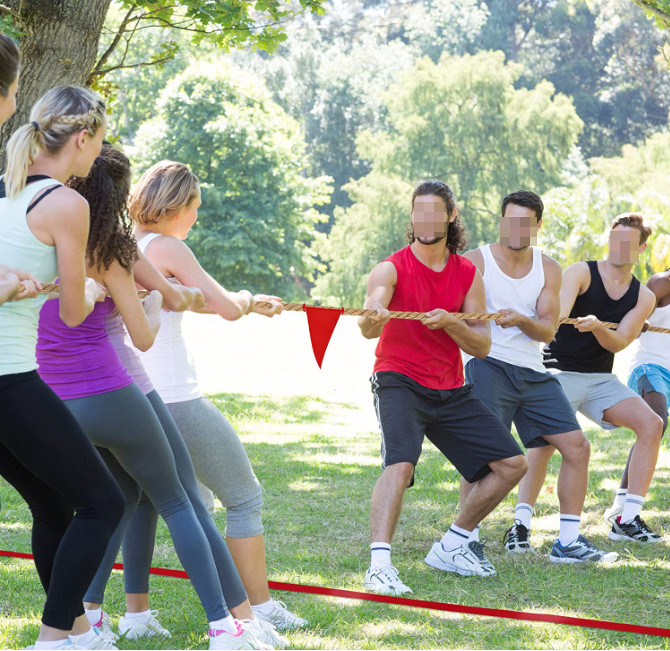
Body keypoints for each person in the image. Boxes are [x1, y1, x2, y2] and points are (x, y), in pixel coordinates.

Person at [36, 145, 283, 650]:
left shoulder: (43, 241)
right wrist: (156, 300)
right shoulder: (114, 248)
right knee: (181, 499)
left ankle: (86, 618)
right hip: (117, 388)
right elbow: (147, 331)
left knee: (112, 502)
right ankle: (227, 625)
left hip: (55, 403)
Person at [126, 159, 306, 632]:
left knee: (157, 503)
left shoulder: (133, 244)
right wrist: (244, 300)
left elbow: (186, 300)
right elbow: (224, 305)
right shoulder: (167, 245)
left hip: (136, 399)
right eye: (195, 208)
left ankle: (135, 615)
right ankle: (260, 608)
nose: (197, 218)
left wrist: (250, 303)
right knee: (243, 497)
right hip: (177, 399)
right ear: (176, 204)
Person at [358, 180, 528, 595]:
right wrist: (374, 314)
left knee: (513, 465)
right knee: (401, 463)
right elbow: (366, 326)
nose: (426, 220)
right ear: (412, 217)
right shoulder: (391, 267)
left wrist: (453, 322)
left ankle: (453, 544)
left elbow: (482, 345)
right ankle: (379, 565)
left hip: (450, 387)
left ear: (451, 216)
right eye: (419, 211)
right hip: (398, 378)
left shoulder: (467, 273)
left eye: (435, 211)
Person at [0, 85, 125, 650]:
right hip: (9, 378)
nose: (96, 156)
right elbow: (73, 313)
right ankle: (55, 641)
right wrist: (92, 289)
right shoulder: (66, 204)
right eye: (96, 145)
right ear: (80, 139)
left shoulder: (4, 191)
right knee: (103, 503)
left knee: (51, 501)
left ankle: (78, 631)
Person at [461, 190, 616, 562]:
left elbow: (548, 331)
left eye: (525, 223)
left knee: (577, 447)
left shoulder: (548, 268)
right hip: (489, 365)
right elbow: (461, 317)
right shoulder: (475, 261)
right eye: (511, 220)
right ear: (502, 221)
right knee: (482, 456)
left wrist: (523, 319)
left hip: (533, 371)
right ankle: (464, 540)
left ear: (537, 225)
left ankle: (567, 542)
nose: (516, 229)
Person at [525, 213, 663, 543]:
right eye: (616, 239)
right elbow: (556, 319)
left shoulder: (644, 296)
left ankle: (626, 518)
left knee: (653, 424)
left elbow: (620, 341)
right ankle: (520, 524)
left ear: (641, 248)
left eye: (628, 243)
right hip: (559, 371)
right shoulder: (581, 272)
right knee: (544, 442)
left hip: (601, 380)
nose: (620, 247)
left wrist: (599, 326)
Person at [608, 270, 670, 522]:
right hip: (649, 365)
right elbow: (631, 317)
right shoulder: (661, 282)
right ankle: (621, 508)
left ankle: (623, 506)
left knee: (652, 429)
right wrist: (637, 323)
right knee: (656, 421)